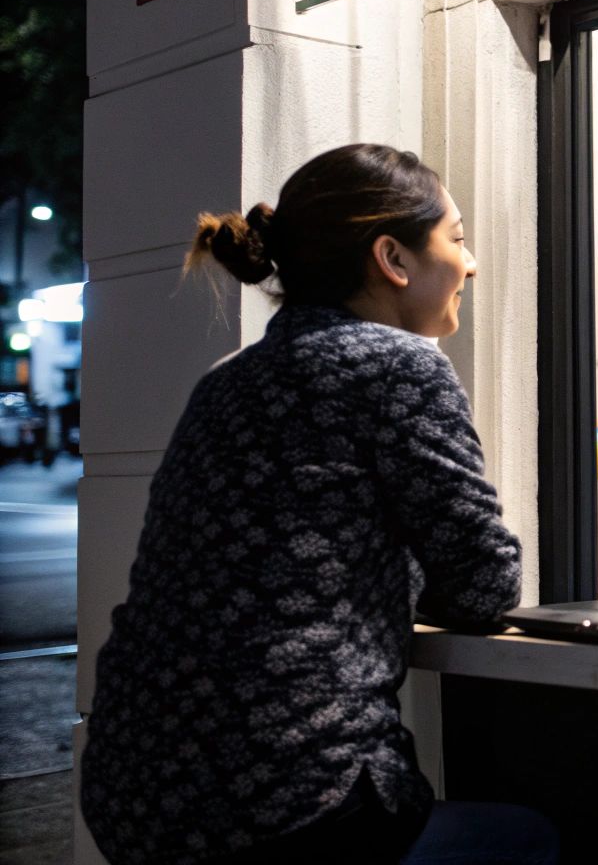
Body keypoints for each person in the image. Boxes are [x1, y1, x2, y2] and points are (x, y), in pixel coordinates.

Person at [80, 145, 558, 864]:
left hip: (130, 793)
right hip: (287, 802)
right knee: (531, 838)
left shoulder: (230, 379)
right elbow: (485, 580)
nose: (472, 263)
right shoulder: (398, 363)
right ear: (393, 258)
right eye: (457, 239)